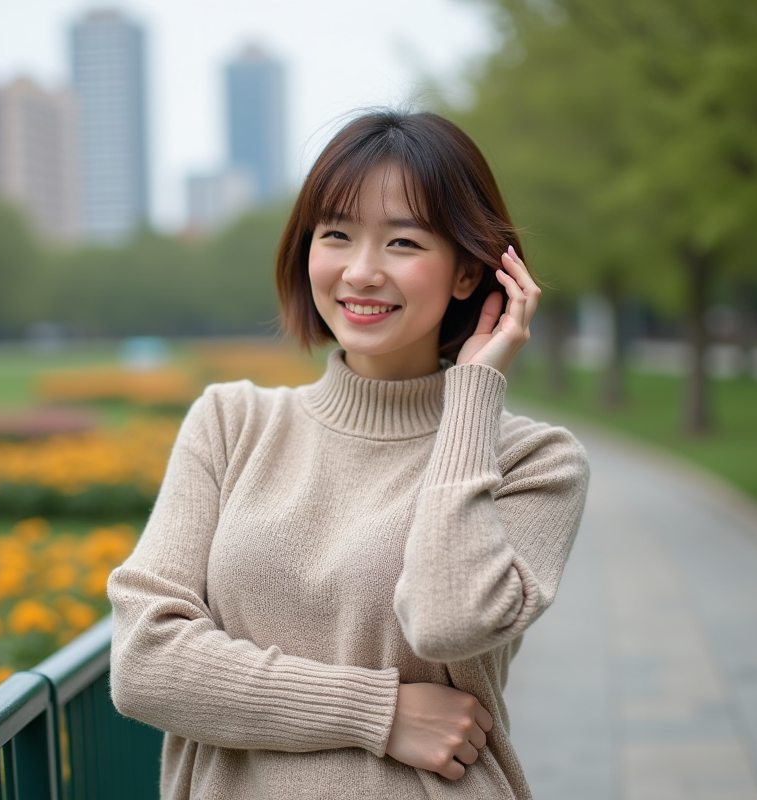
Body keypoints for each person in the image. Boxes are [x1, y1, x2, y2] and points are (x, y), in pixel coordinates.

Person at [107, 110, 590, 799]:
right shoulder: (231, 422)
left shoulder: (536, 462)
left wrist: (474, 395)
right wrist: (379, 712)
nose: (361, 272)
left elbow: (448, 622)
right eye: (336, 234)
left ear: (466, 274)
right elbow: (145, 664)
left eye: (403, 241)